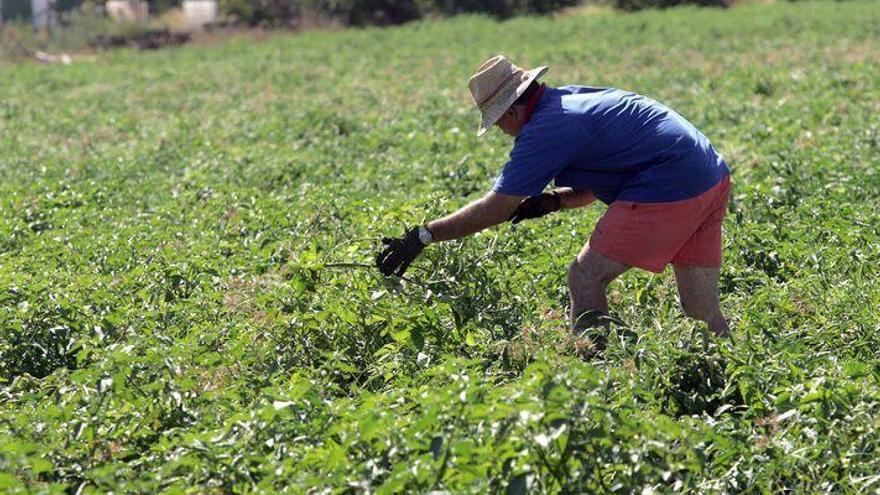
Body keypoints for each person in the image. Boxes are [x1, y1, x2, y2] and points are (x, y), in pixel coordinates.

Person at [376, 55, 732, 351]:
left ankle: (595, 372)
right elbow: (600, 180)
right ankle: (730, 364)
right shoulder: (571, 102)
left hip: (670, 184)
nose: (501, 131)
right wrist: (553, 202)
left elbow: (496, 207)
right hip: (710, 176)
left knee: (585, 276)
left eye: (498, 122)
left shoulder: (547, 128)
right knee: (701, 308)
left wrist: (424, 235)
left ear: (512, 111)